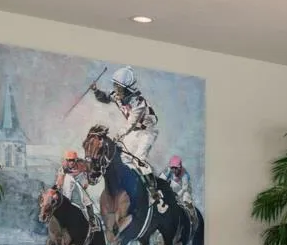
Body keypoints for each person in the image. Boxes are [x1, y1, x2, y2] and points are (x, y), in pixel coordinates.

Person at [91, 66, 163, 202]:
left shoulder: (139, 103)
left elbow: (131, 123)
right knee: (124, 158)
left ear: (127, 88)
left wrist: (117, 136)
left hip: (147, 132)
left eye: (118, 87)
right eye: (115, 86)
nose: (116, 90)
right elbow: (105, 97)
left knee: (139, 158)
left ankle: (154, 190)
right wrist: (96, 91)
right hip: (134, 132)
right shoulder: (118, 96)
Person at [54, 151, 99, 231]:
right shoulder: (64, 166)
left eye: (72, 160)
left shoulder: (82, 164)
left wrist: (88, 181)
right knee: (66, 198)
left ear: (76, 160)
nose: (71, 162)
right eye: (69, 160)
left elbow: (89, 173)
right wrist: (58, 185)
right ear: (66, 160)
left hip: (79, 179)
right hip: (69, 179)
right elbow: (60, 180)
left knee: (87, 200)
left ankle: (92, 222)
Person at [165, 155, 200, 231]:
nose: (173, 171)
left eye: (175, 168)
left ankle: (192, 215)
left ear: (179, 168)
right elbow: (162, 179)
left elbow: (184, 188)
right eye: (172, 168)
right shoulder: (169, 171)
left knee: (186, 197)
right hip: (173, 191)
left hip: (184, 191)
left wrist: (177, 195)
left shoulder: (184, 175)